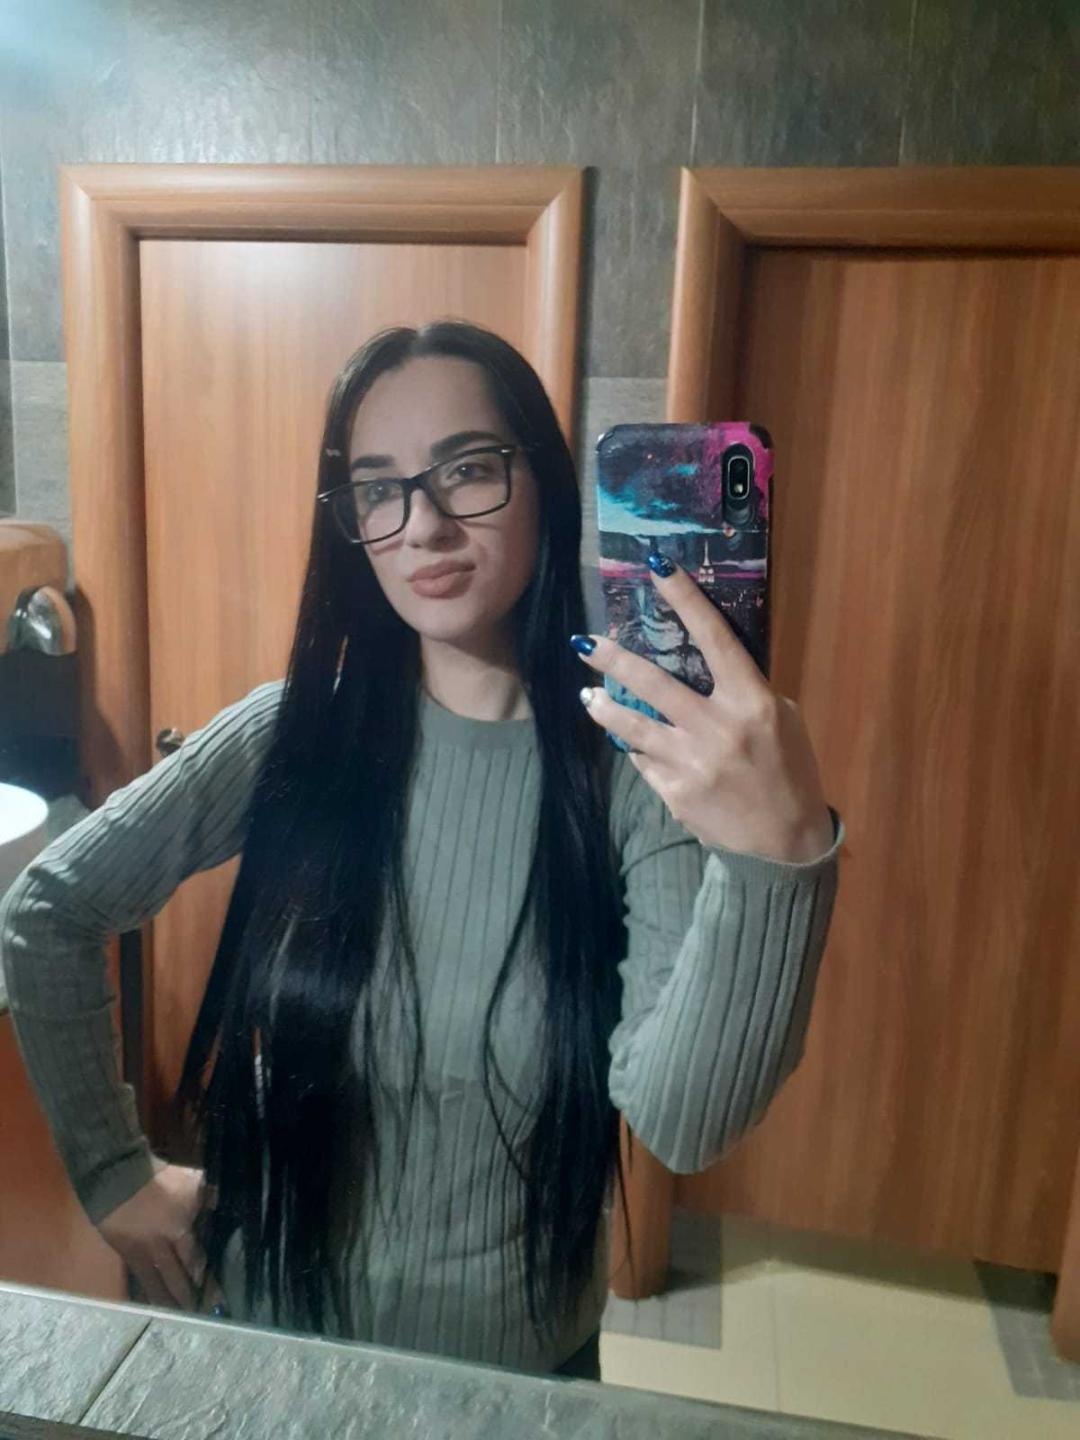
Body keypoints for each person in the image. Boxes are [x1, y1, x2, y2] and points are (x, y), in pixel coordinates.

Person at [0, 321, 842, 1381]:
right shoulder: (290, 734)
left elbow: (685, 1123)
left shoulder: (633, 773)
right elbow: (46, 912)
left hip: (515, 1380)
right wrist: (111, 1169)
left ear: (543, 484)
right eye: (378, 489)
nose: (425, 526)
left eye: (469, 469)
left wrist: (779, 857)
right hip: (271, 1349)